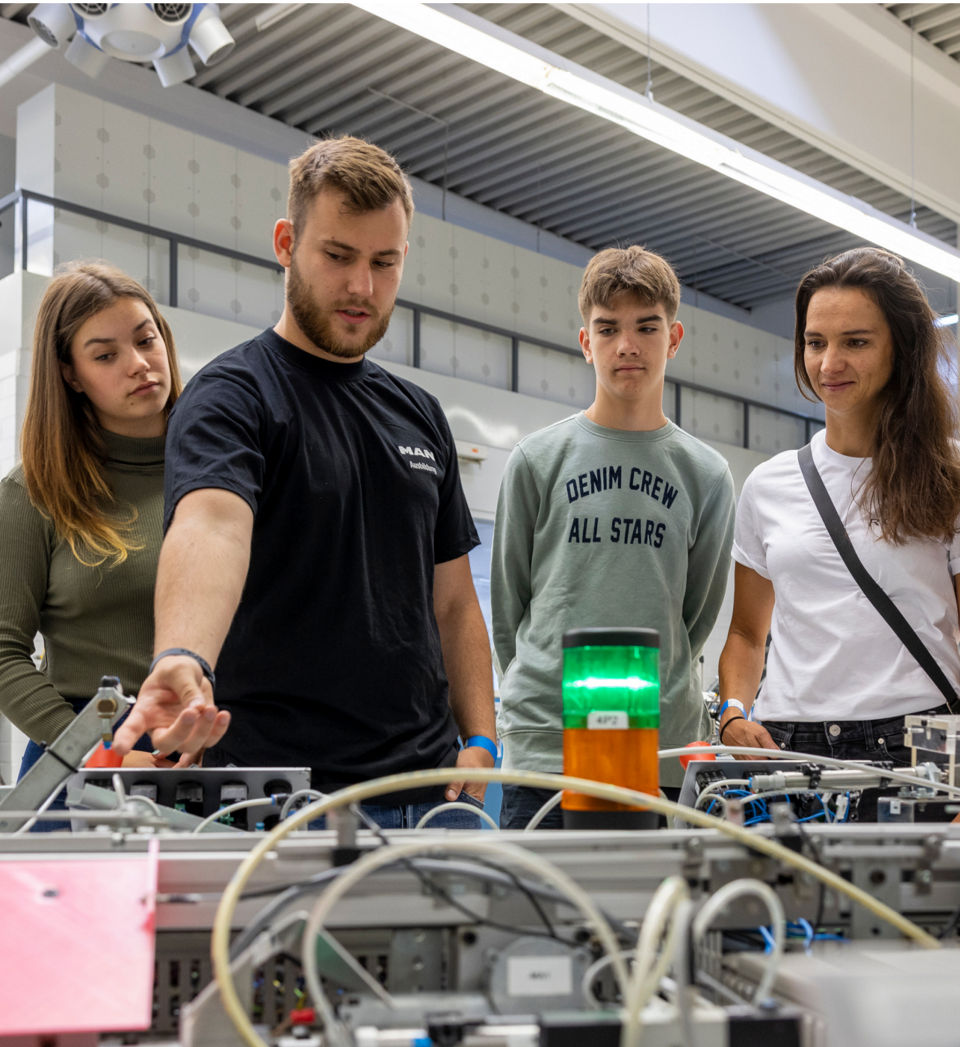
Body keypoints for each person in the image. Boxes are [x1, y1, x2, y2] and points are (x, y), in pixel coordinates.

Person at [113, 136, 497, 828]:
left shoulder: (419, 413)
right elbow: (212, 525)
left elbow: (455, 606)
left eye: (384, 263)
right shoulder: (234, 394)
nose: (362, 287)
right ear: (287, 243)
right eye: (338, 256)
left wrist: (481, 737)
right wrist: (181, 655)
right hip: (281, 802)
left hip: (426, 793)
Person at [491, 245, 736, 828]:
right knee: (538, 917)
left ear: (673, 338)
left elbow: (694, 614)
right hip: (548, 748)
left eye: (646, 327)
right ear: (586, 343)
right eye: (609, 329)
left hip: (660, 749)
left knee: (656, 919)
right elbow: (509, 609)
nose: (627, 345)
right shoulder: (536, 460)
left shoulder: (705, 474)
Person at [716, 246, 960, 773]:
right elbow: (745, 634)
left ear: (902, 347)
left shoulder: (950, 477)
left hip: (919, 744)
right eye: (815, 342)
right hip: (787, 747)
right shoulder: (768, 485)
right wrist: (732, 711)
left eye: (856, 342)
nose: (830, 364)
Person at [0, 261, 181, 779]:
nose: (139, 364)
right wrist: (97, 750)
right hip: (80, 757)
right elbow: (3, 651)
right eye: (106, 355)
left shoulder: (227, 471)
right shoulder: (33, 493)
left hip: (214, 742)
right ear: (70, 374)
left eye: (147, 340)